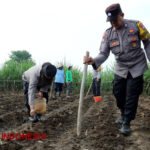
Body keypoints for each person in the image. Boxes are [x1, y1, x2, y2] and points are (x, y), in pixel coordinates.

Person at [83, 3, 150, 135]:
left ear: (122, 15)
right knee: (118, 93)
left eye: (115, 20)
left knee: (131, 95)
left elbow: (147, 41)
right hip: (121, 68)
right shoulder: (107, 34)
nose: (113, 23)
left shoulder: (136, 25)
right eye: (111, 21)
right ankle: (122, 113)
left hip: (137, 66)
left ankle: (126, 122)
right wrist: (93, 60)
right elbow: (103, 53)